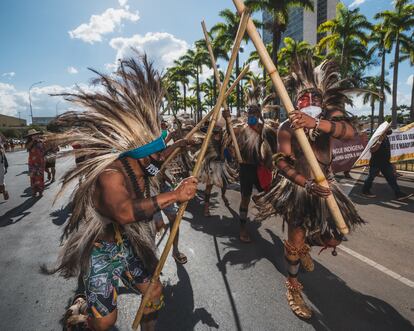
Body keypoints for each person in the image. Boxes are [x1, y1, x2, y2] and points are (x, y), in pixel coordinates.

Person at [43, 55, 198, 331]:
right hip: (99, 252)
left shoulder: (140, 166)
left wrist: (180, 146)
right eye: (157, 151)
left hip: (126, 249)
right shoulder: (111, 175)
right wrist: (174, 196)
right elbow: (125, 212)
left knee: (154, 292)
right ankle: (82, 313)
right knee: (105, 322)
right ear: (141, 152)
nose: (160, 156)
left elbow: (158, 165)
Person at [254, 55, 365, 319]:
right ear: (296, 101)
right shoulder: (286, 126)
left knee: (335, 235)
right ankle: (293, 286)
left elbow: (349, 132)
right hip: (299, 190)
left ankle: (306, 246)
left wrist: (316, 124)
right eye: (304, 99)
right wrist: (305, 183)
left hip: (327, 187)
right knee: (295, 239)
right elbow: (280, 161)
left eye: (315, 99)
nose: (310, 103)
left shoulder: (329, 119)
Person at [237, 105, 274, 243]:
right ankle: (242, 228)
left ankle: (257, 200)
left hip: (260, 168)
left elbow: (271, 144)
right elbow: (231, 133)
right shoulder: (242, 129)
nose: (252, 115)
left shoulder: (265, 129)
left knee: (267, 194)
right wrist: (226, 119)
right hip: (245, 168)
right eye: (250, 112)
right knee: (245, 198)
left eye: (255, 112)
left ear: (259, 114)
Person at [198, 121, 237, 217]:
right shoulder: (207, 138)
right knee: (209, 186)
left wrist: (233, 155)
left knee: (224, 184)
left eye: (218, 130)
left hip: (221, 164)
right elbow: (200, 131)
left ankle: (223, 195)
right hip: (210, 165)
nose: (217, 132)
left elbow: (230, 141)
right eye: (215, 130)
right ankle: (206, 208)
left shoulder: (224, 139)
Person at [362, 129, 412, 200]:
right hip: (376, 163)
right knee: (371, 177)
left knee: (391, 178)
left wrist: (391, 162)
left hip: (386, 163)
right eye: (388, 129)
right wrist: (379, 141)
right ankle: (365, 191)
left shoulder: (386, 138)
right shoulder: (377, 138)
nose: (390, 130)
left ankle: (398, 194)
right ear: (383, 131)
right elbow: (372, 150)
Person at [25, 129, 45, 197]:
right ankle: (34, 191)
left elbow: (44, 150)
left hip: (40, 162)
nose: (34, 136)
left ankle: (40, 191)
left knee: (40, 177)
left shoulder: (41, 142)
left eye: (35, 134)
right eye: (32, 135)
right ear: (30, 136)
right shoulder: (29, 143)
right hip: (32, 163)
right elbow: (27, 148)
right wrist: (33, 141)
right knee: (33, 177)